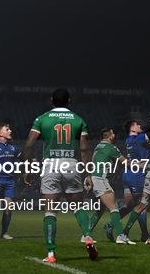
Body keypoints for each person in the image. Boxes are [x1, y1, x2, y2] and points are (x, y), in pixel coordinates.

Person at [21, 88, 97, 262]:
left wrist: (27, 168)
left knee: (50, 211)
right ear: (69, 101)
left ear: (51, 100)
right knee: (78, 207)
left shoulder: (42, 119)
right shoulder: (79, 120)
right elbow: (84, 149)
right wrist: (88, 174)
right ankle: (87, 235)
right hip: (71, 164)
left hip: (51, 165)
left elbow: (28, 145)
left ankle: (51, 253)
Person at [87, 128, 139, 245]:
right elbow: (126, 162)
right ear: (110, 136)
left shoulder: (98, 146)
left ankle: (86, 234)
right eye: (113, 133)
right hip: (100, 179)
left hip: (96, 178)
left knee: (100, 210)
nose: (115, 134)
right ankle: (121, 236)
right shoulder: (111, 148)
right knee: (114, 207)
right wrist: (142, 165)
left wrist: (90, 177)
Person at [104, 120, 150, 242]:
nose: (140, 126)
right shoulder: (140, 137)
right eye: (138, 124)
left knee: (129, 206)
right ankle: (142, 233)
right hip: (137, 175)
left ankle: (111, 224)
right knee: (142, 205)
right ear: (133, 128)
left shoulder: (128, 140)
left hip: (127, 174)